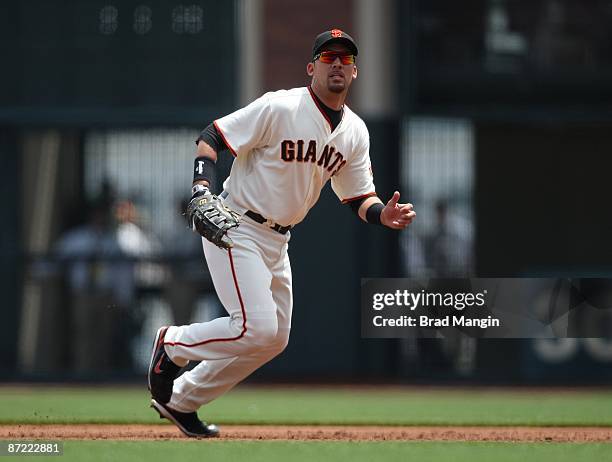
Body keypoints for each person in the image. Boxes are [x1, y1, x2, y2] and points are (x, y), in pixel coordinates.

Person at [148, 29, 416, 438]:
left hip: (278, 239)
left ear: (356, 71)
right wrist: (201, 189)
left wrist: (383, 215)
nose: (338, 64)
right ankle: (172, 344)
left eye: (345, 59)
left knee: (273, 338)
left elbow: (358, 197)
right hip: (235, 223)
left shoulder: (355, 132)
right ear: (312, 68)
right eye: (329, 57)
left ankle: (181, 400)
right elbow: (212, 137)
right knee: (255, 327)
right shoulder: (281, 106)